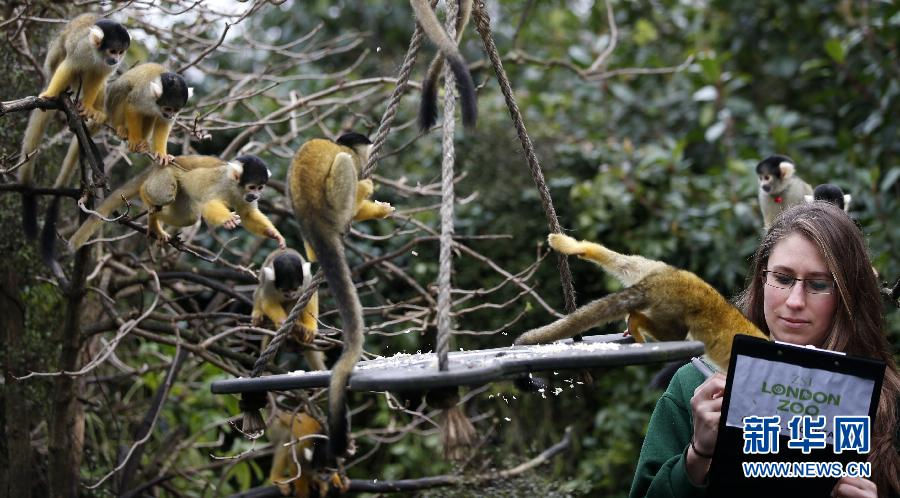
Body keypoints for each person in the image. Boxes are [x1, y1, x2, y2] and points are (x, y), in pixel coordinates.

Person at [629, 202, 900, 497]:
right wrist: (697, 456)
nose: (795, 301)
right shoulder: (698, 386)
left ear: (848, 296)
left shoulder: (885, 403)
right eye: (783, 279)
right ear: (762, 278)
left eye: (819, 284)